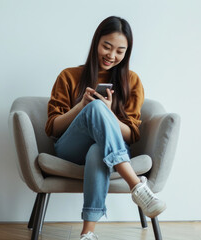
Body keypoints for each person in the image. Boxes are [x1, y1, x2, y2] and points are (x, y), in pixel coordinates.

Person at [45, 16, 166, 240]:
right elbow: (53, 127)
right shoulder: (69, 76)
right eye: (107, 47)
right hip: (70, 149)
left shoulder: (131, 81)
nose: (112, 55)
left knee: (98, 150)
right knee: (94, 109)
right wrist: (82, 107)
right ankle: (137, 187)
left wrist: (108, 113)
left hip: (107, 151)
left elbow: (132, 135)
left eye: (120, 51)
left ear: (126, 53)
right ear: (96, 43)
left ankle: (87, 233)